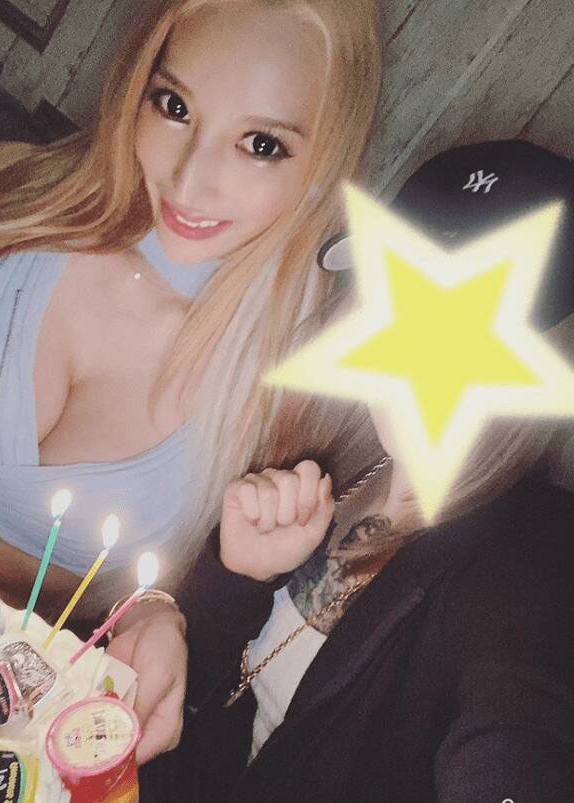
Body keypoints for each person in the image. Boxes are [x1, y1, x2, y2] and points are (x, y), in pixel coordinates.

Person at [0, 3, 379, 612]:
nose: (190, 180)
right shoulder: (3, 184)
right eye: (175, 107)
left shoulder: (290, 396)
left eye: (261, 144)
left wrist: (169, 611)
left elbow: (171, 613)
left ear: (326, 164)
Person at [134, 140, 574, 798]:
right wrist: (232, 580)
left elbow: (518, 733)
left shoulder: (535, 557)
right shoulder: (337, 465)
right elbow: (198, 698)